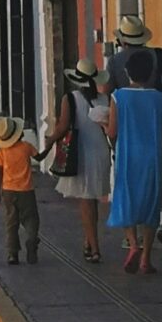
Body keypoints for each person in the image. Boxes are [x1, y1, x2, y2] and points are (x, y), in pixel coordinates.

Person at [104, 14, 162, 257]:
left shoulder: (116, 65)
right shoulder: (159, 57)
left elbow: (107, 95)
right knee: (157, 188)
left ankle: (132, 241)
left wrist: (111, 140)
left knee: (128, 191)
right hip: (156, 137)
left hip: (128, 142)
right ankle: (160, 227)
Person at [45, 61, 111, 263]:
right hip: (100, 152)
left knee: (85, 203)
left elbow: (63, 126)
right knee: (92, 201)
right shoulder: (104, 99)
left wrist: (48, 143)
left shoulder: (70, 99)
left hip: (82, 153)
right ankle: (88, 242)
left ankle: (95, 248)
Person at [0, 116, 40, 264]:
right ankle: (32, 240)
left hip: (8, 191)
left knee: (11, 223)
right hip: (27, 190)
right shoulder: (26, 147)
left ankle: (12, 254)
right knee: (31, 218)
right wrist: (50, 145)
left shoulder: (2, 151)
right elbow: (39, 157)